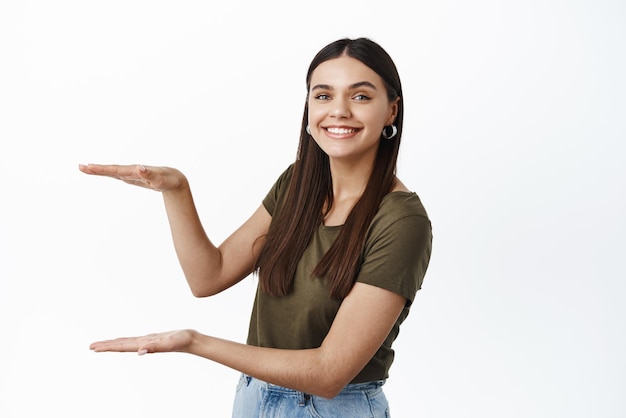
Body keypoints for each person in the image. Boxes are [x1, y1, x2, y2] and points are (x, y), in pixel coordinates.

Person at [80, 37, 432, 417]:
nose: (339, 111)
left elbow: (329, 373)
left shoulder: (401, 221)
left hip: (334, 408)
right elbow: (208, 276)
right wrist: (176, 190)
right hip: (254, 398)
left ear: (391, 111)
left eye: (360, 97)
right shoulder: (298, 185)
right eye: (323, 95)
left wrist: (196, 343)